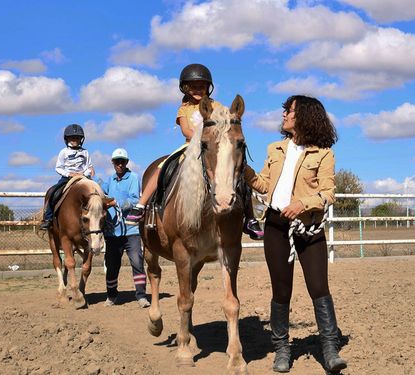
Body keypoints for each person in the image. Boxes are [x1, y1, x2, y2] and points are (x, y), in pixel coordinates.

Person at [243, 95, 346, 373]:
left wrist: (303, 203)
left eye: (289, 110)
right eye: (285, 110)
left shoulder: (323, 153)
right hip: (276, 226)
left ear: (305, 116)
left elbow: (328, 193)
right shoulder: (275, 149)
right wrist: (243, 169)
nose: (284, 114)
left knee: (318, 287)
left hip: (308, 228)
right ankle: (282, 349)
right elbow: (264, 184)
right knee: (281, 290)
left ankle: (329, 347)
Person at [124, 63, 264, 240]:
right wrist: (199, 137)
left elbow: (226, 125)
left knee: (239, 172)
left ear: (208, 88)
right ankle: (142, 205)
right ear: (186, 88)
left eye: (202, 86)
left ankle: (250, 218)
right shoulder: (184, 109)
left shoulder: (217, 105)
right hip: (190, 145)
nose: (198, 90)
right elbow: (185, 130)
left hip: (214, 146)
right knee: (162, 166)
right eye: (194, 86)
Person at [101, 148, 150, 308]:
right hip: (112, 231)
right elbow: (102, 192)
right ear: (113, 163)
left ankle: (141, 296)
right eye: (117, 161)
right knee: (112, 264)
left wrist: (117, 202)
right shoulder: (110, 180)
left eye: (122, 161)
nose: (120, 164)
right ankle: (111, 295)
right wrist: (93, 179)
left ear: (127, 162)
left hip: (131, 230)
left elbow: (135, 198)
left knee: (137, 261)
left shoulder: (134, 178)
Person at [40, 124, 95, 230]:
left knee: (98, 193)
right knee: (52, 192)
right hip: (67, 178)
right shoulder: (63, 152)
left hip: (83, 178)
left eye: (77, 138)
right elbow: (58, 168)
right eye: (72, 137)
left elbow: (89, 167)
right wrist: (69, 174)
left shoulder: (85, 152)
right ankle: (48, 218)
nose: (75, 140)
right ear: (67, 139)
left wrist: (84, 174)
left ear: (81, 139)